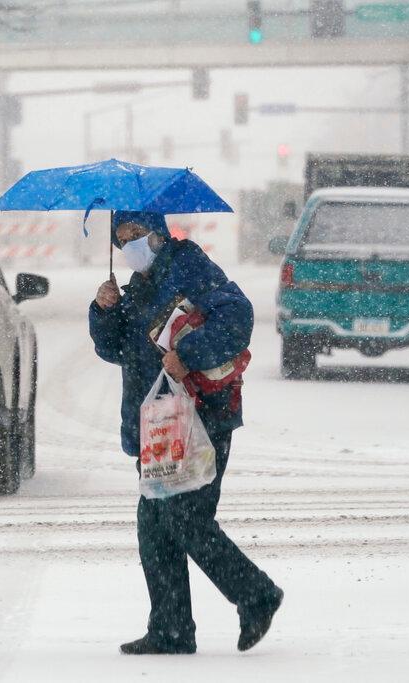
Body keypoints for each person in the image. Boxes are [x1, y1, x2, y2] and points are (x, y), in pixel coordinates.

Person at [88, 211, 283, 655]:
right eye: (122, 239)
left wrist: (188, 353)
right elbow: (115, 349)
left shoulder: (189, 266)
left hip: (201, 416)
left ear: (158, 232)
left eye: (136, 234)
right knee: (154, 527)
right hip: (158, 421)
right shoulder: (137, 287)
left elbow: (238, 317)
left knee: (184, 519)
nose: (130, 244)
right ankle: (171, 629)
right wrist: (104, 311)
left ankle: (255, 594)